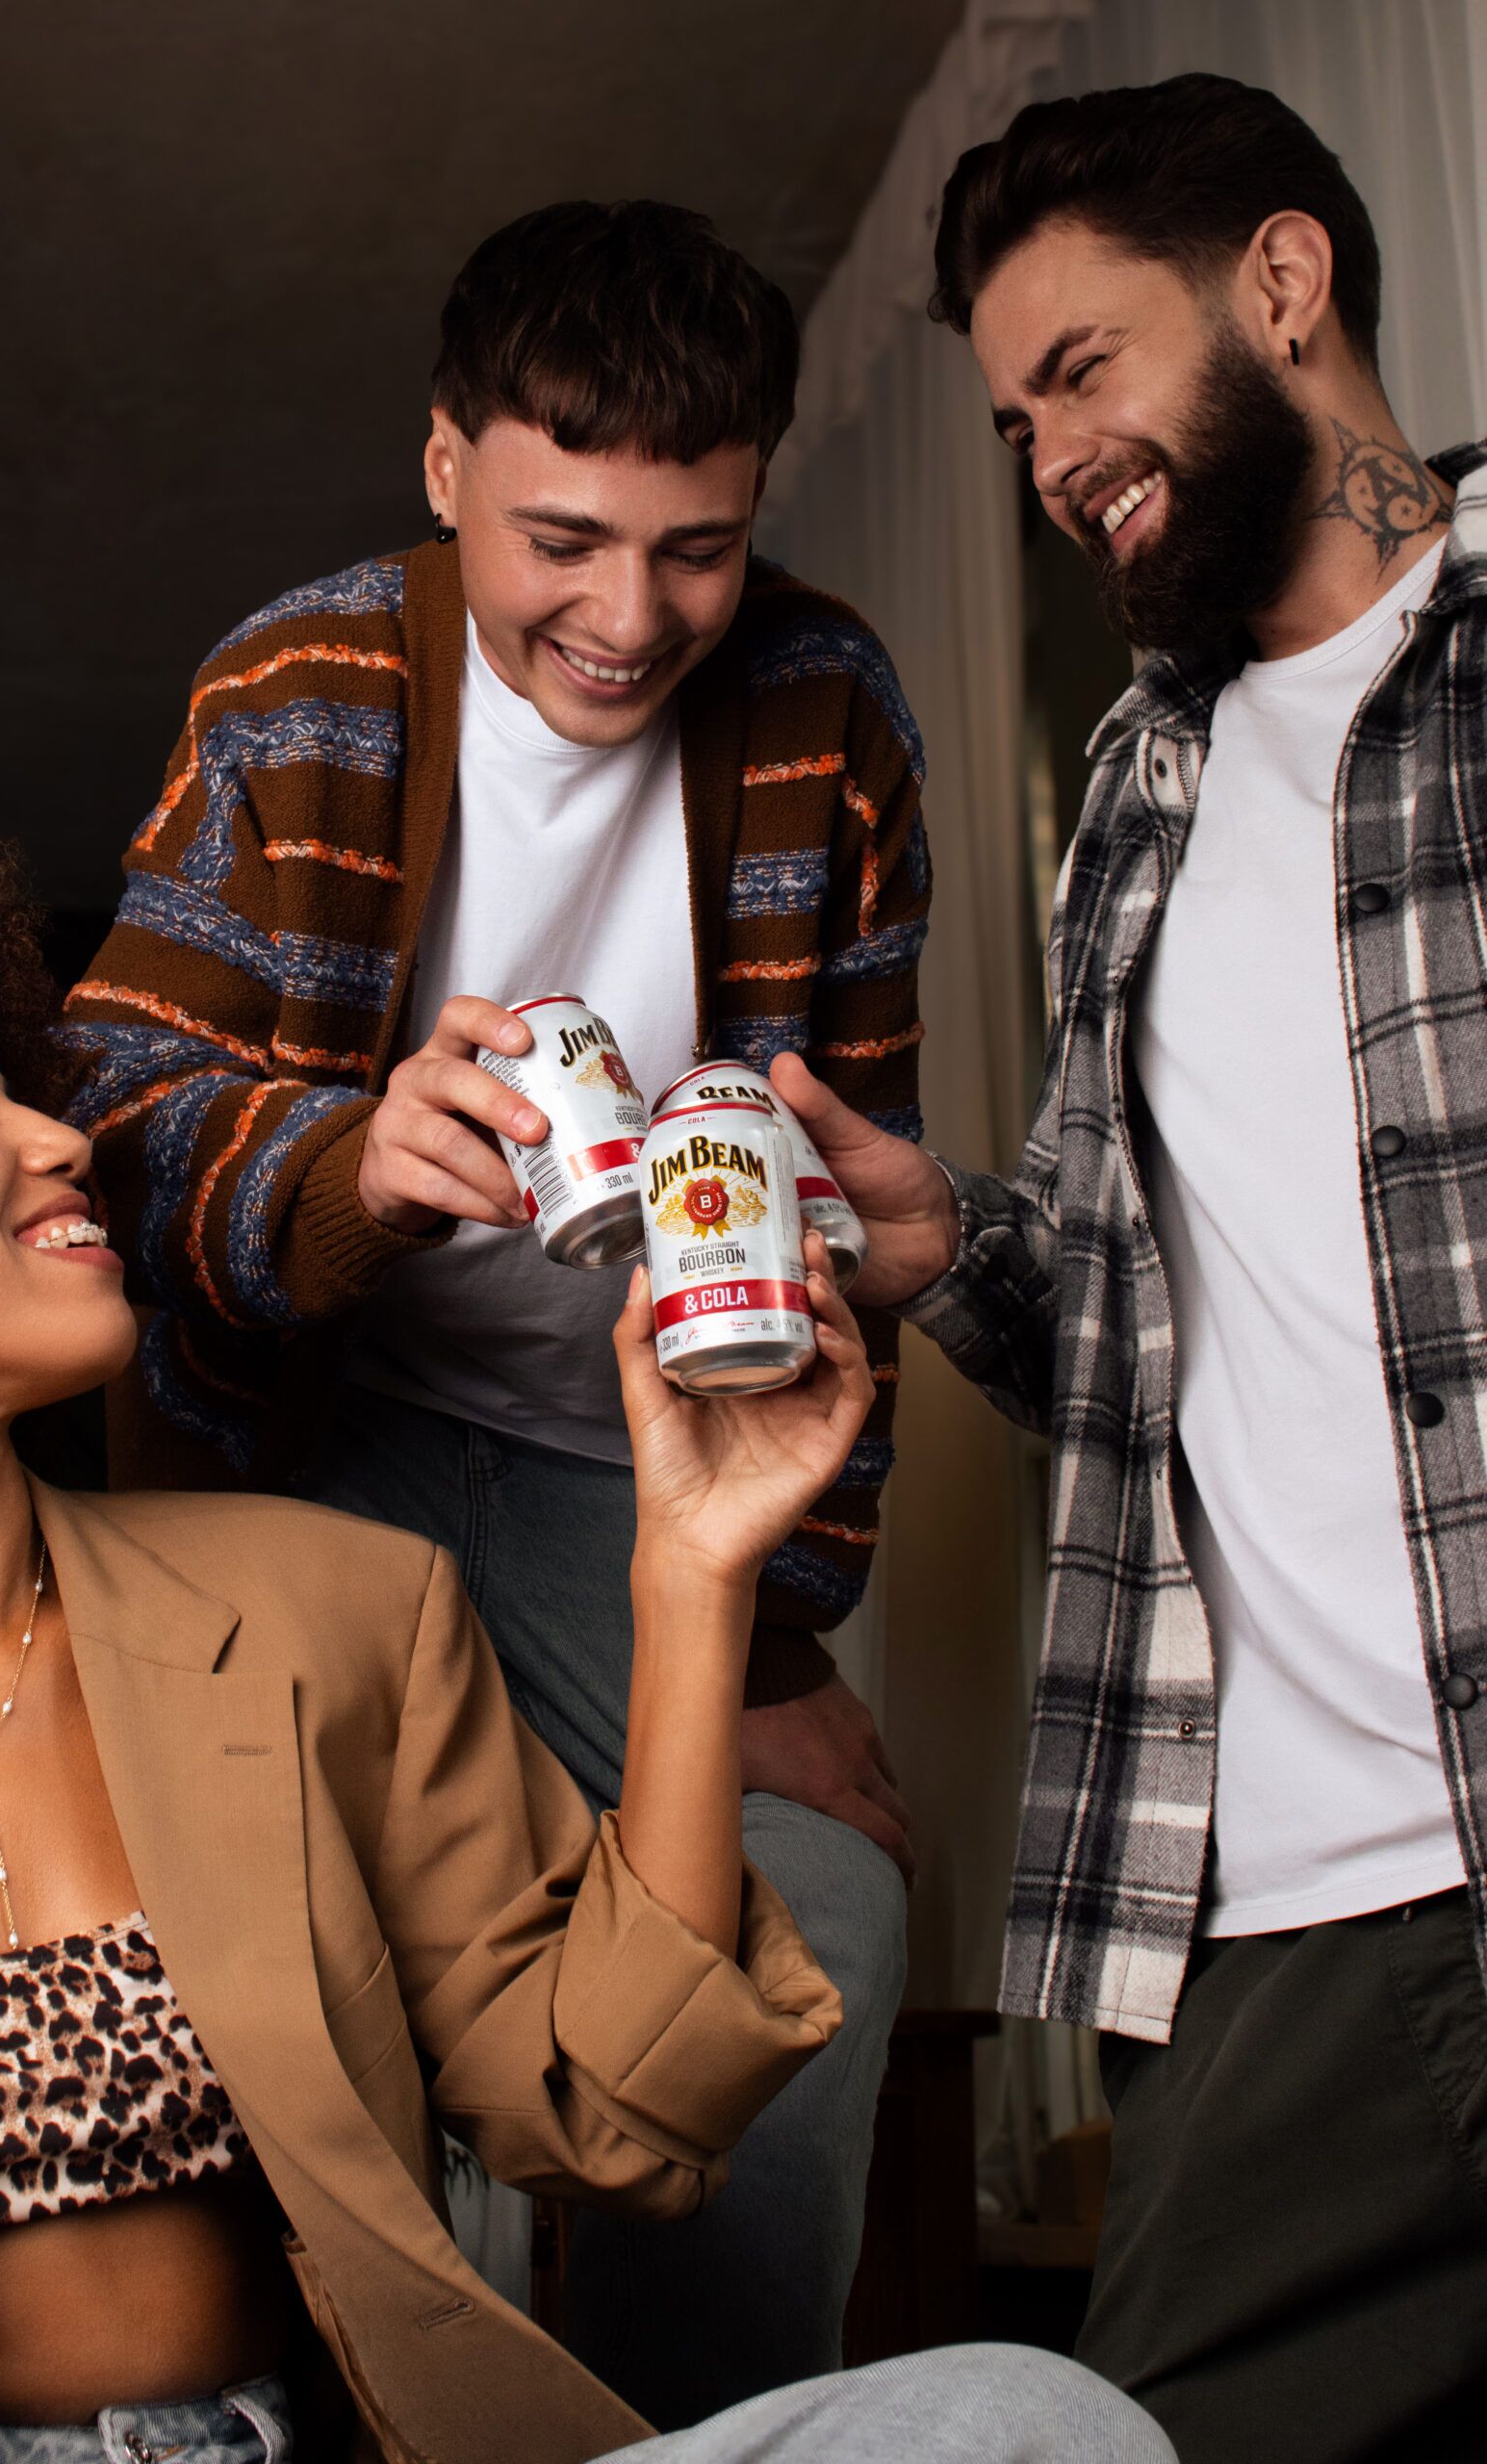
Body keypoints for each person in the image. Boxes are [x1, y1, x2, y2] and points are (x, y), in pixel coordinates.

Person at [0, 821, 1172, 2464]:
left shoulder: (328, 1614)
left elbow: (622, 2110)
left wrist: (692, 1569)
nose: (64, 1138)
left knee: (1036, 2420)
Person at [65, 199, 927, 2424]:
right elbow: (113, 1120)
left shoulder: (827, 710)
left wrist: (770, 1631)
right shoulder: (296, 690)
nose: (628, 620)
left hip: (622, 1466)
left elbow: (852, 1168)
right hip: (308, 1452)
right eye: (563, 542)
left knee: (818, 1906)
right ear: (446, 465)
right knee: (328, 1965)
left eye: (697, 549)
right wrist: (350, 1165)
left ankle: (701, 2439)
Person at [773, 69, 1487, 2464]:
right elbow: (1156, 1314)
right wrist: (944, 1239)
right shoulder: (1136, 793)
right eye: (1012, 423)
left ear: (1280, 283)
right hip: (1281, 1914)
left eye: (1082, 370)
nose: (1053, 460)